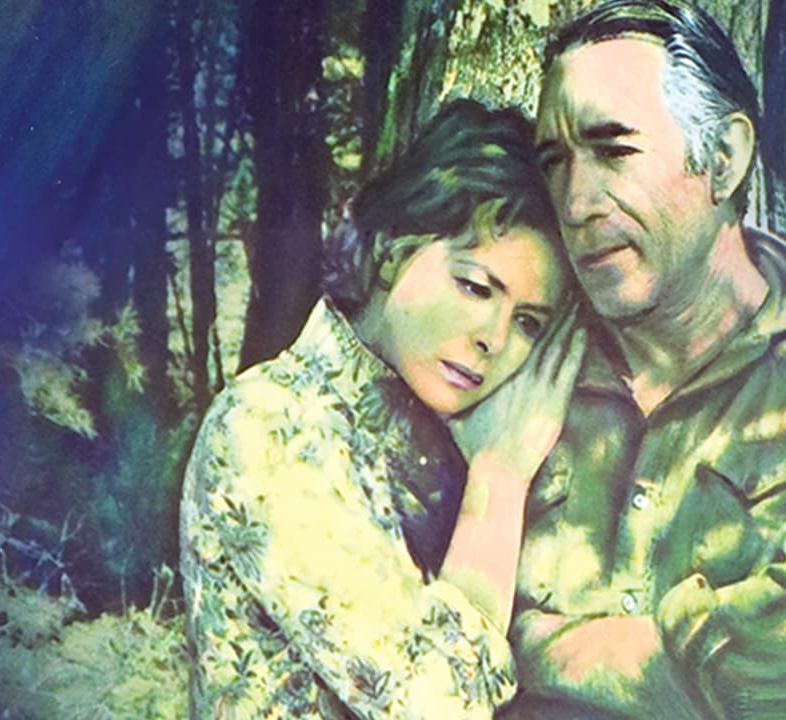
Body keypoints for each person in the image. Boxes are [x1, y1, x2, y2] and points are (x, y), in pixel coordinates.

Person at [500, 2, 786, 718]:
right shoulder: (520, 359)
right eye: (555, 162)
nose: (576, 202)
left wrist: (535, 648)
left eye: (614, 150)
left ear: (725, 159)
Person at [180, 99, 583, 719]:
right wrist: (499, 484)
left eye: (528, 322)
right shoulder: (271, 425)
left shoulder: (449, 438)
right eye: (476, 287)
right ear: (393, 251)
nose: (495, 339)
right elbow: (441, 710)